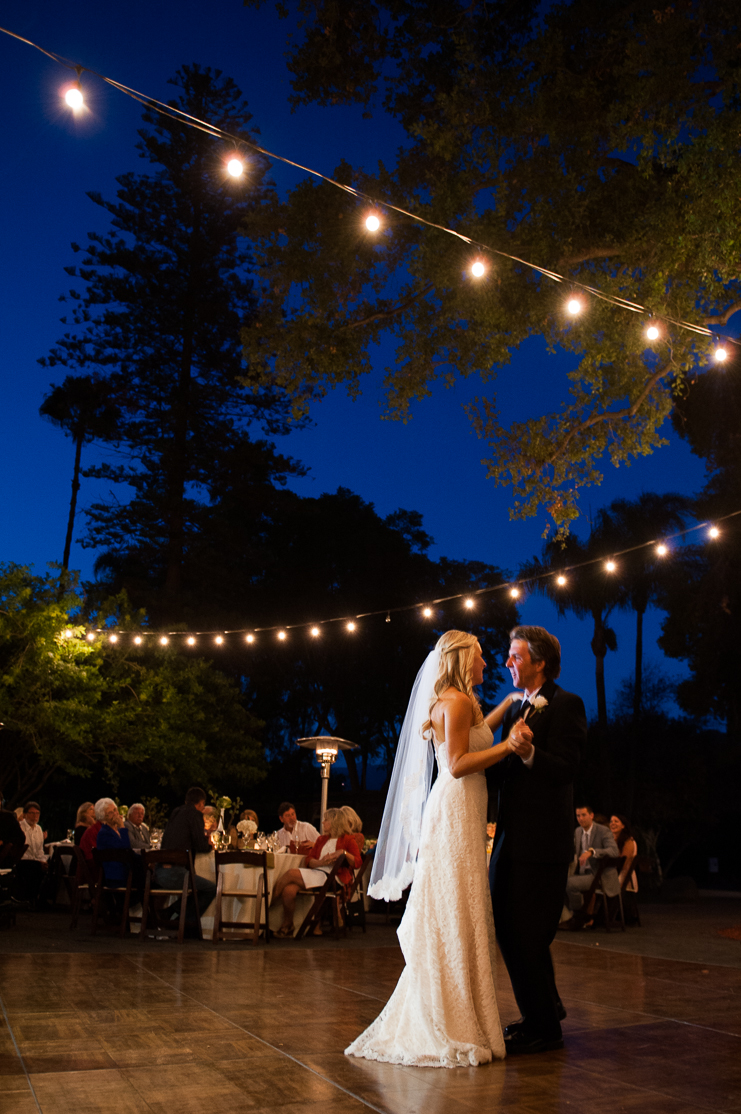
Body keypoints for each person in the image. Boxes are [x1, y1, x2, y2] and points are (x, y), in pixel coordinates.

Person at [346, 630, 520, 1068]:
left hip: (460, 809)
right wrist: (509, 747)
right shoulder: (457, 702)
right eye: (481, 657)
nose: (487, 663)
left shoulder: (463, 701)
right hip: (456, 808)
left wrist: (509, 707)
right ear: (463, 660)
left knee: (458, 903)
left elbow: (476, 734)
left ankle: (461, 1008)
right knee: (456, 903)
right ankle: (453, 1018)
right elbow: (460, 764)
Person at [487, 625, 587, 1055]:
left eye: (516, 656)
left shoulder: (567, 705)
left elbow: (566, 768)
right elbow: (500, 769)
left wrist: (528, 752)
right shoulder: (514, 709)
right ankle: (542, 1011)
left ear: (539, 662)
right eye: (509, 656)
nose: (508, 662)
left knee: (529, 933)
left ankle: (544, 1027)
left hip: (543, 843)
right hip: (509, 839)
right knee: (508, 930)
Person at [271, 808, 359, 937]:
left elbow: (357, 862)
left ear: (334, 822)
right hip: (318, 873)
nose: (323, 823)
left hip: (333, 879)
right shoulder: (321, 840)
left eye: (326, 820)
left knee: (290, 873)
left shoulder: (348, 840)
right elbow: (309, 860)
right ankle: (288, 924)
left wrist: (343, 853)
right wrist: (321, 863)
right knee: (288, 890)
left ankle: (269, 903)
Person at [156, 787, 217, 921]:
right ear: (201, 803)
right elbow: (200, 845)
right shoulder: (195, 814)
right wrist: (209, 845)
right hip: (175, 873)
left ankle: (171, 915)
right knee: (211, 889)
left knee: (197, 886)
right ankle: (181, 923)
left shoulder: (176, 812)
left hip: (158, 872)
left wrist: (206, 834)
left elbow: (185, 837)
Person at [562, 805, 620, 926]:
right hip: (582, 872)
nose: (580, 818)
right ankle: (575, 914)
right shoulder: (578, 831)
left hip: (597, 874)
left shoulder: (602, 830)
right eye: (578, 815)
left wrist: (592, 852)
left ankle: (579, 915)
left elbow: (614, 851)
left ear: (591, 815)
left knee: (568, 883)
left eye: (583, 815)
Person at [96, 800, 145, 898]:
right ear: (103, 817)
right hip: (117, 876)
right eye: (111, 812)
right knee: (147, 880)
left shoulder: (115, 831)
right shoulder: (105, 833)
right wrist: (122, 827)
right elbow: (125, 850)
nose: (115, 814)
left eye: (115, 810)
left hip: (124, 872)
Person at [15, 802, 49, 907]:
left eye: (37, 813)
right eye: (32, 813)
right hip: (22, 860)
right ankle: (30, 899)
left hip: (35, 860)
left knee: (49, 866)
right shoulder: (20, 828)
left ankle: (40, 899)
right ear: (25, 814)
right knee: (34, 867)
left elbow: (39, 850)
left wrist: (43, 860)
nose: (35, 816)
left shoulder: (38, 829)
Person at [610, 813, 639, 893]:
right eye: (611, 821)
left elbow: (623, 863)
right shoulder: (611, 841)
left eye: (616, 821)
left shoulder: (629, 841)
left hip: (625, 876)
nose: (613, 823)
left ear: (623, 826)